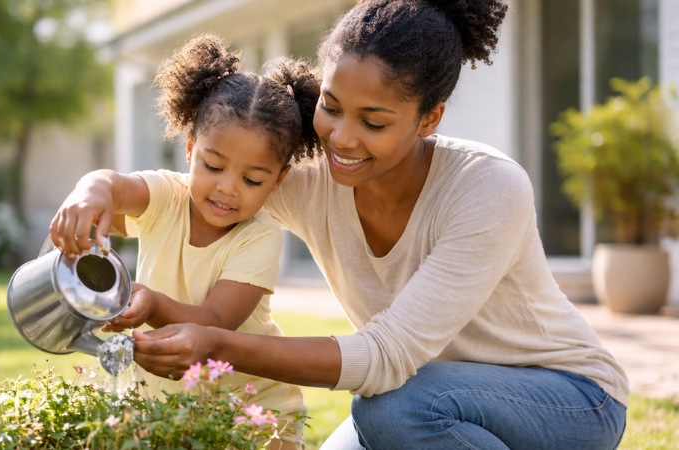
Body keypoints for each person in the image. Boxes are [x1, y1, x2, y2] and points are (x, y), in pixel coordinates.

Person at [56, 0, 630, 448]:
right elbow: (195, 189)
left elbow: (383, 359)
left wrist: (214, 342)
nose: (341, 137)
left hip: (567, 399)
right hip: (422, 393)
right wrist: (98, 187)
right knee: (395, 413)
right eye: (330, 106)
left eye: (374, 122)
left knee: (390, 409)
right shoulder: (305, 180)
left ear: (429, 118)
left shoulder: (488, 188)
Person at [49, 35, 321, 450]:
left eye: (252, 179)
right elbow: (116, 187)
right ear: (191, 149)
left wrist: (154, 304)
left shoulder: (259, 236)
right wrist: (91, 191)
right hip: (171, 406)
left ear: (279, 180)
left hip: (254, 416)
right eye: (213, 166)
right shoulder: (168, 196)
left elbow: (215, 323)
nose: (228, 189)